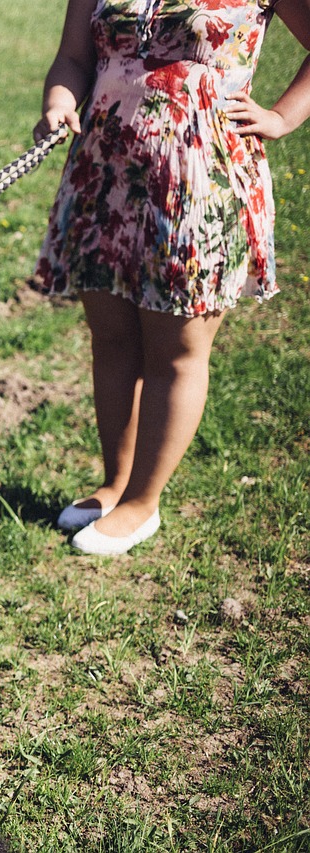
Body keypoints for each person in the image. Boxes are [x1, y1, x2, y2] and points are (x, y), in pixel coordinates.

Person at [34, 0, 310, 555]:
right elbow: (72, 57)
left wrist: (282, 116)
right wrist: (59, 101)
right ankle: (116, 484)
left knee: (175, 349)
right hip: (104, 169)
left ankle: (143, 502)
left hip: (200, 176)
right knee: (111, 338)